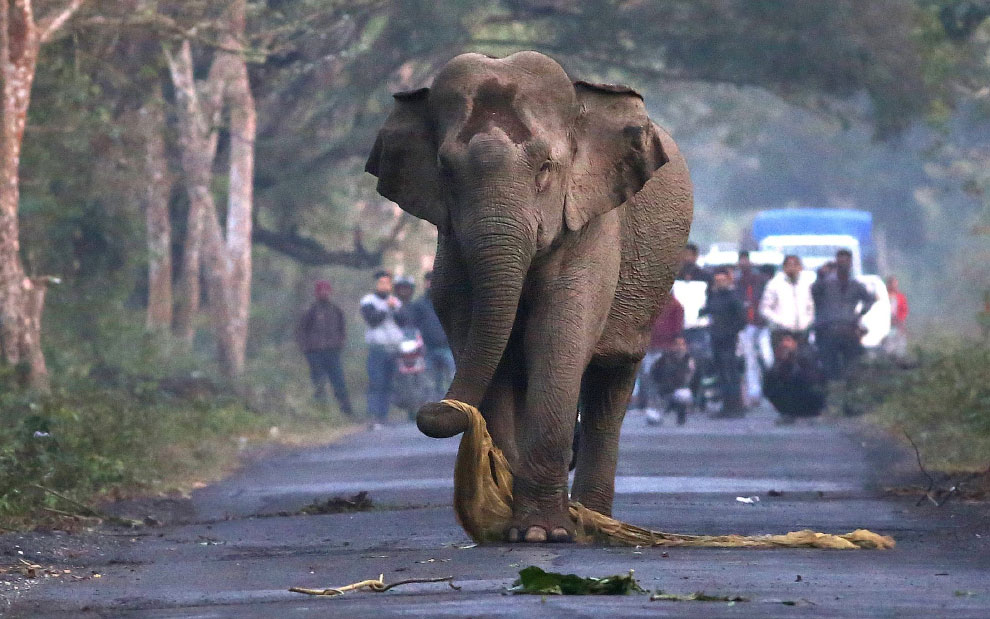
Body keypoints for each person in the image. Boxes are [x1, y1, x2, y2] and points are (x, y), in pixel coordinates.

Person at [811, 249, 875, 382]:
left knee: (852, 366)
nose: (843, 265)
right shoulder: (826, 284)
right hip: (828, 329)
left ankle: (849, 390)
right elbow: (813, 292)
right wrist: (821, 276)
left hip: (849, 329)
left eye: (846, 262)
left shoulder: (855, 285)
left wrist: (859, 314)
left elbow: (870, 299)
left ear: (850, 264)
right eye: (841, 262)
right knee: (829, 366)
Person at [295, 280, 353, 415]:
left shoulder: (336, 310)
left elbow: (342, 329)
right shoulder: (310, 311)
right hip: (315, 353)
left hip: (333, 352)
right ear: (316, 293)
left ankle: (347, 412)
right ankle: (322, 412)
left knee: (339, 382)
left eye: (326, 291)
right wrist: (306, 349)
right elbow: (301, 331)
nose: (324, 293)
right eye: (321, 291)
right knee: (318, 383)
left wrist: (340, 344)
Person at [360, 270, 405, 429]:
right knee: (376, 382)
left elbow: (403, 321)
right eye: (382, 283)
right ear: (376, 284)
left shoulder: (396, 301)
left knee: (389, 383)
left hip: (394, 348)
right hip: (377, 348)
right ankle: (373, 415)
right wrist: (386, 308)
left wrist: (395, 309)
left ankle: (384, 415)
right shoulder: (368, 301)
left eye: (387, 283)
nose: (385, 286)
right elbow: (372, 320)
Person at [700, 268, 746, 417]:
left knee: (730, 373)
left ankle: (734, 406)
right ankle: (727, 405)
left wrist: (730, 332)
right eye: (717, 280)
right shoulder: (714, 296)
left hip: (728, 340)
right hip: (715, 339)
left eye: (722, 280)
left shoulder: (733, 297)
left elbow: (741, 320)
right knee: (721, 373)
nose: (719, 283)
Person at [632, 296, 684, 413]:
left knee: (657, 375)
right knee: (647, 375)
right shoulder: (654, 303)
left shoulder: (674, 305)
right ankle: (649, 402)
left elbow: (677, 328)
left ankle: (658, 402)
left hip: (663, 347)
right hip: (651, 346)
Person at [409, 271, 455, 401]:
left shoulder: (448, 303)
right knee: (430, 380)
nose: (430, 284)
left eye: (433, 280)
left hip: (447, 347)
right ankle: (433, 407)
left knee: (452, 378)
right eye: (428, 281)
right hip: (428, 348)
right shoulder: (418, 304)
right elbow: (413, 325)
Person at [763, 331, 826, 424]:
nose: (784, 343)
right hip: (789, 403)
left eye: (787, 340)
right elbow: (771, 383)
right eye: (782, 340)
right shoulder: (781, 359)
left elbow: (813, 379)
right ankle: (788, 412)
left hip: (809, 402)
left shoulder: (806, 355)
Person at [735, 250, 770, 407]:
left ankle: (769, 388)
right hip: (746, 324)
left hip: (761, 323)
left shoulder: (759, 280)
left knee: (767, 357)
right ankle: (754, 391)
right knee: (750, 359)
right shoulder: (737, 282)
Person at [760, 254, 816, 342]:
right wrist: (780, 322)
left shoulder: (805, 284)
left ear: (800, 267)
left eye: (795, 265)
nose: (792, 268)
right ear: (784, 267)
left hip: (802, 333)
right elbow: (765, 309)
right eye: (789, 265)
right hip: (781, 333)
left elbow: (810, 307)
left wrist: (807, 322)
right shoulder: (775, 284)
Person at [647, 334, 695, 426]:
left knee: (683, 394)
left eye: (682, 344)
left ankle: (680, 415)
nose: (679, 347)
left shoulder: (689, 360)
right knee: (653, 417)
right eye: (677, 344)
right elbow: (654, 374)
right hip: (663, 392)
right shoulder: (664, 359)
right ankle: (663, 411)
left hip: (680, 390)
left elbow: (693, 380)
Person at [883, 275, 909, 359]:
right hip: (886, 326)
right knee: (888, 348)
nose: (895, 286)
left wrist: (900, 322)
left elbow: (904, 311)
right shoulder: (882, 297)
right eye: (893, 284)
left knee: (900, 348)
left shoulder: (900, 297)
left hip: (898, 325)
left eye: (896, 284)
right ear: (888, 285)